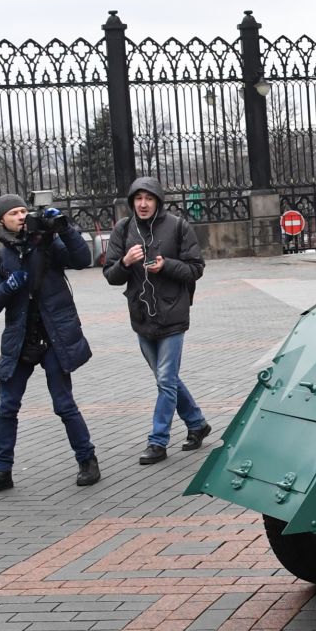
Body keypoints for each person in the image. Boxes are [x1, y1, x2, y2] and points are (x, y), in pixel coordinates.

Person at [0, 194, 100, 495]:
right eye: (13, 213)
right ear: (2, 220)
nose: (20, 216)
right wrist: (10, 285)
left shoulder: (49, 245)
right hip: (20, 341)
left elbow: (83, 259)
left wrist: (65, 229)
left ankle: (88, 460)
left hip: (54, 337)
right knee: (7, 407)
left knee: (63, 404)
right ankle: (1, 471)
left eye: (23, 211)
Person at [103, 176, 211, 465]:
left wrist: (167, 265)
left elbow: (196, 268)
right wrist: (125, 262)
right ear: (132, 202)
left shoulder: (178, 227)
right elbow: (110, 275)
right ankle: (197, 423)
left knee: (165, 380)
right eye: (138, 199)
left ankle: (158, 441)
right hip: (141, 317)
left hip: (173, 315)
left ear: (158, 201)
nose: (142, 204)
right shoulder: (123, 229)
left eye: (148, 198)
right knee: (168, 379)